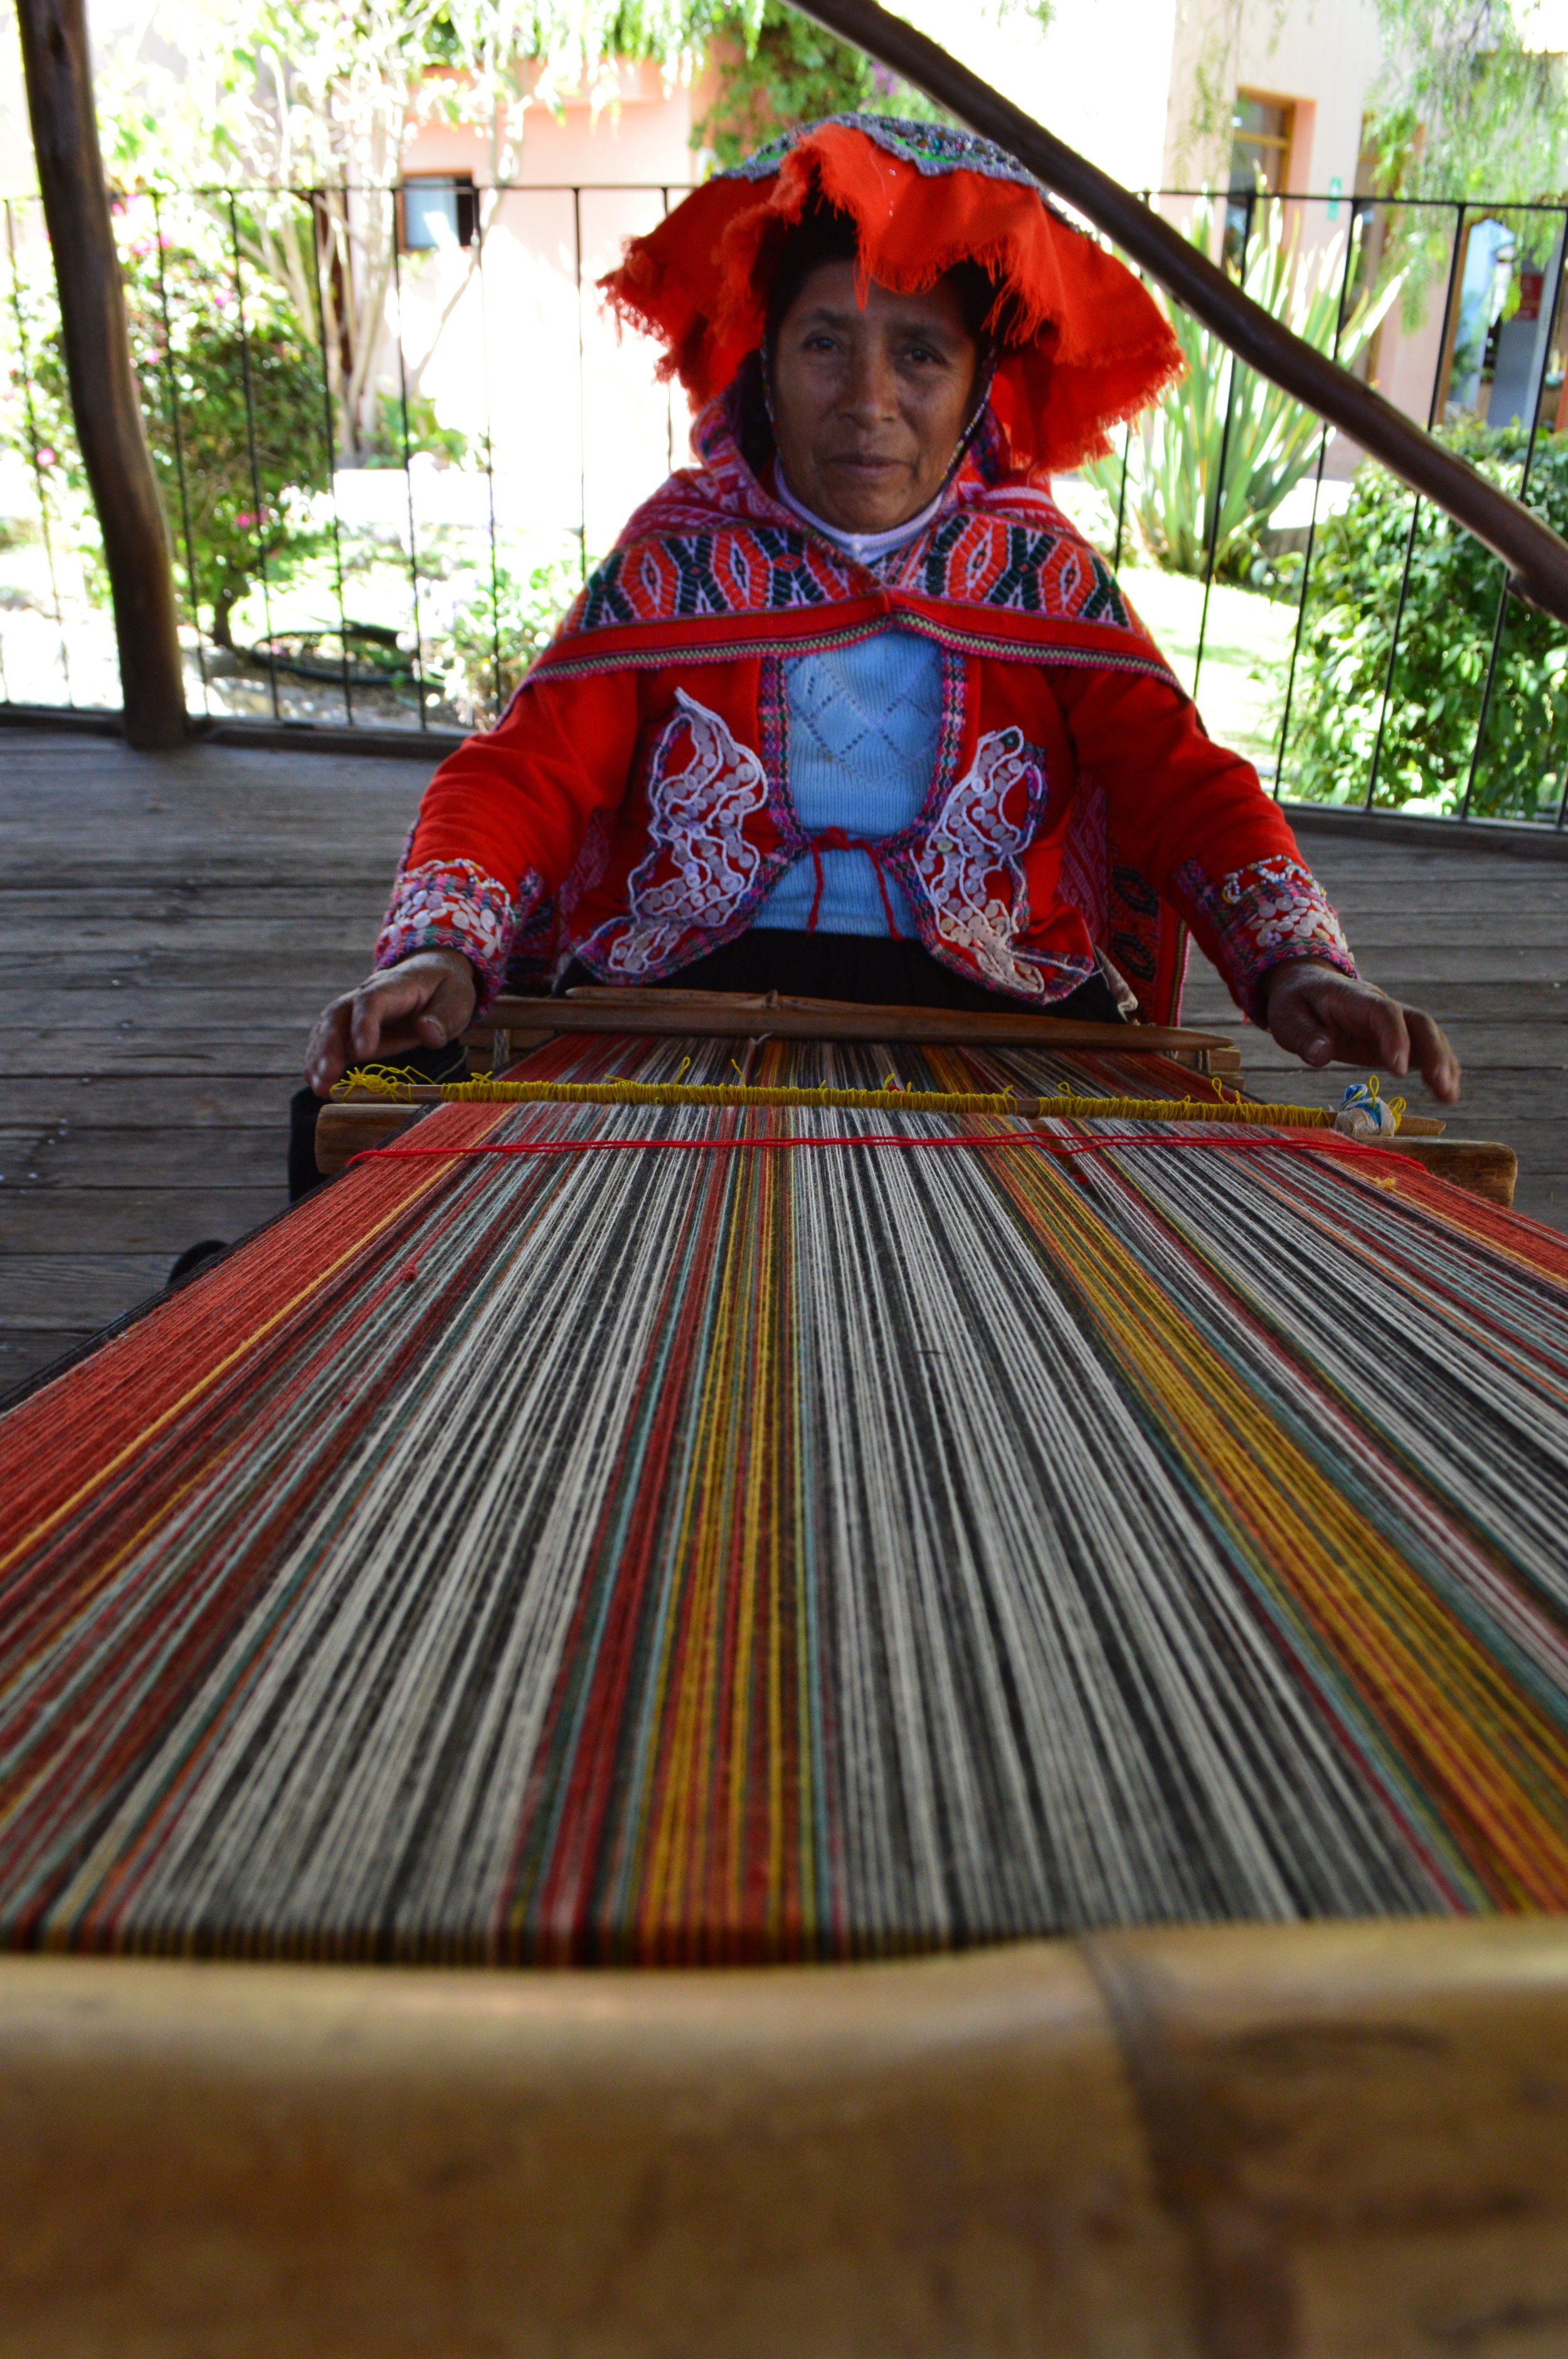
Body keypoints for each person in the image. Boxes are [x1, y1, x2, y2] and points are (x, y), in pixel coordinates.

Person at [301, 114, 1458, 1171]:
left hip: (997, 1014)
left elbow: (1181, 779)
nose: (868, 399)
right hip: (687, 991)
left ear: (976, 390)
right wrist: (440, 950)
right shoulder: (676, 554)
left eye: (919, 353)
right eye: (823, 345)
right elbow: (526, 770)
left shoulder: (1039, 572)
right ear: (766, 362)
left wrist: (1300, 964)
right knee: (370, 1120)